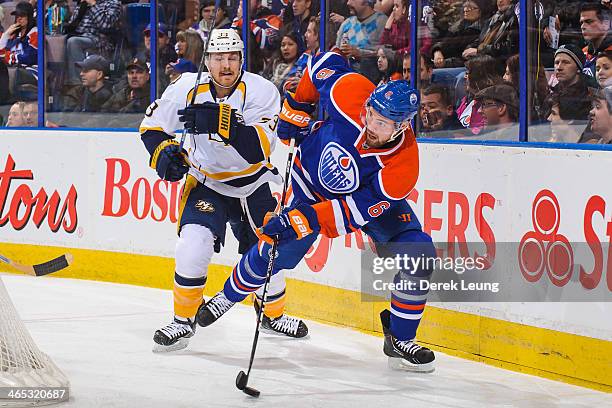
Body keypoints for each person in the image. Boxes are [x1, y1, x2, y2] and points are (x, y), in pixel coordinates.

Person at [196, 51, 437, 372]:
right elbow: (322, 62)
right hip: (311, 186)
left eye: (382, 123)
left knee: (419, 253)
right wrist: (298, 108)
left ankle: (400, 337)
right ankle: (228, 296)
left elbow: (351, 213)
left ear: (402, 126)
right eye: (370, 114)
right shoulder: (351, 90)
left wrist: (303, 218)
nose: (370, 124)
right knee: (275, 252)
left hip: (363, 201)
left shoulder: (403, 167)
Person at [138, 29, 309, 352]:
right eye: (218, 58)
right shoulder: (187, 86)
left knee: (266, 254)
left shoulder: (263, 91)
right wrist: (164, 154)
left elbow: (257, 149)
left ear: (242, 60)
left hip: (253, 183)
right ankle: (183, 320)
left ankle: (272, 314)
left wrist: (221, 121)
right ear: (207, 60)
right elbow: (151, 126)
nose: (225, 65)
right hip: (207, 182)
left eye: (232, 57)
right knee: (193, 246)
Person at [64, 0, 121, 86]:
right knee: (59, 43)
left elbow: (105, 25)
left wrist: (93, 4)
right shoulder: (83, 3)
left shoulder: (113, 3)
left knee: (73, 42)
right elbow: (73, 24)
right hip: (80, 36)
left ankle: (78, 85)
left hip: (100, 40)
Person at [336, 0, 387, 83]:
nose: (348, 3)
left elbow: (387, 50)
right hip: (346, 79)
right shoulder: (346, 24)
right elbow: (336, 51)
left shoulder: (381, 21)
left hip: (371, 80)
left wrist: (360, 53)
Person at [136, 23, 177, 92]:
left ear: (167, 40)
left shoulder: (173, 61)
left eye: (158, 35)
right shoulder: (139, 58)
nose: (151, 38)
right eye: (148, 35)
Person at [580, 2, 612, 78]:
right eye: (581, 22)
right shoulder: (583, 52)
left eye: (589, 22)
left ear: (606, 24)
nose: (583, 27)